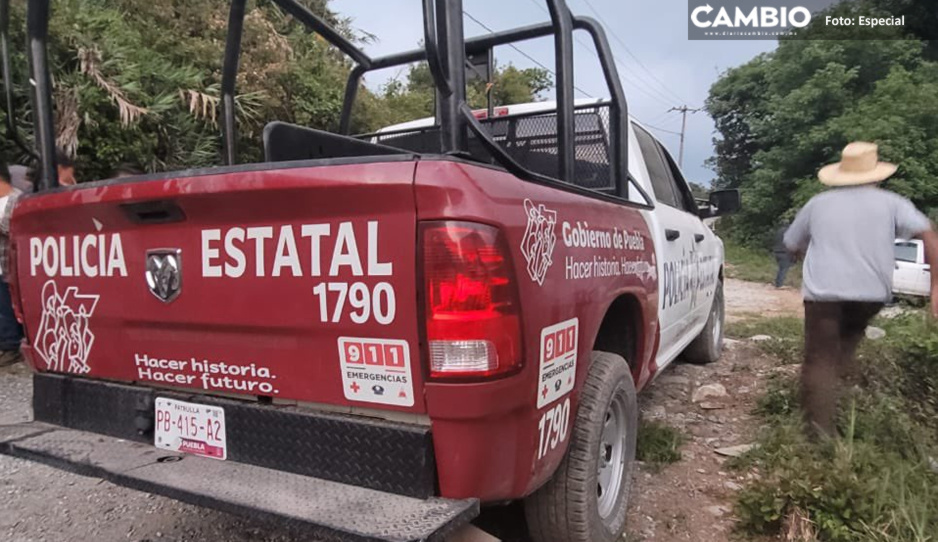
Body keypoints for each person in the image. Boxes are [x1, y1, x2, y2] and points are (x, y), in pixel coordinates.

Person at [784, 142, 938, 438]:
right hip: (870, 295)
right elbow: (928, 235)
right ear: (877, 175)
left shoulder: (818, 203)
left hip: (824, 296)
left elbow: (792, 243)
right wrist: (935, 286)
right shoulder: (893, 202)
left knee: (820, 359)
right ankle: (840, 408)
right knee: (845, 347)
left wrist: (805, 253)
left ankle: (819, 436)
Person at [0, 161, 23, 367]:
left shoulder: (17, 200)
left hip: (8, 266)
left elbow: (15, 231)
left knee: (6, 307)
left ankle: (11, 346)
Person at [772, 219, 792, 288]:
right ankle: (779, 284)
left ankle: (777, 282)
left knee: (781, 268)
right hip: (784, 253)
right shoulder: (788, 232)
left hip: (777, 252)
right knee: (783, 269)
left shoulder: (778, 231)